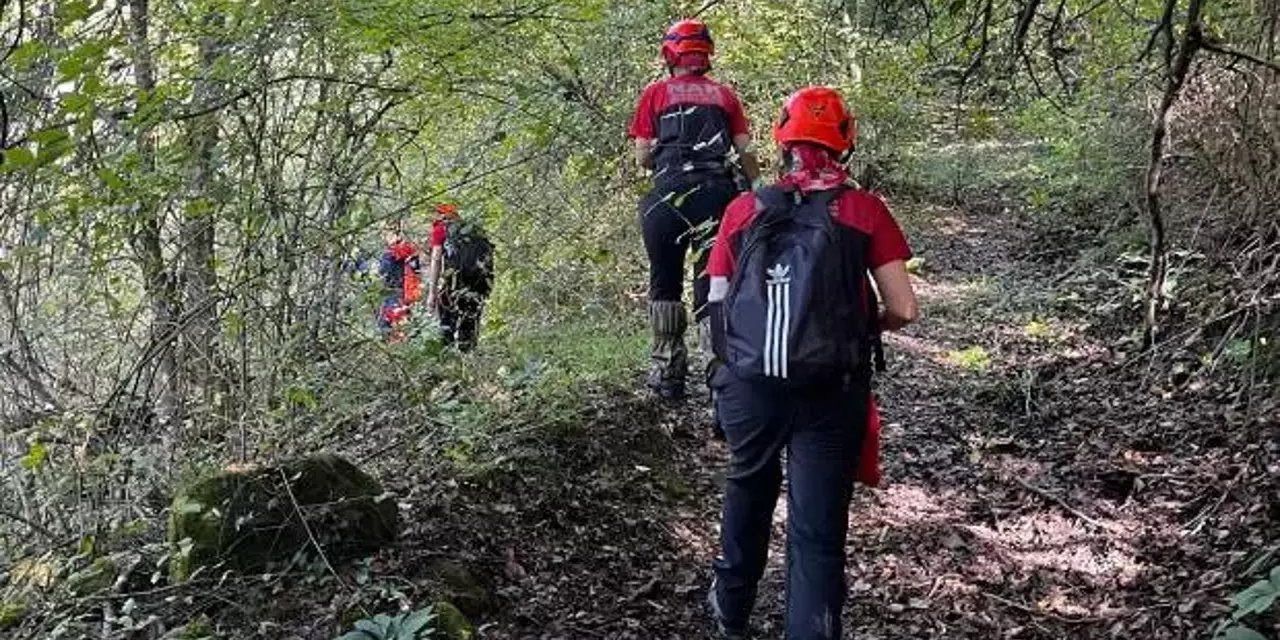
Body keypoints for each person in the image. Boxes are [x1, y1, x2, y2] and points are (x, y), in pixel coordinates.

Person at [703, 86, 919, 640]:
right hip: (831, 388)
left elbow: (718, 303)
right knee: (816, 531)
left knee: (747, 487)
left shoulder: (743, 209)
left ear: (781, 138)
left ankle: (730, 613)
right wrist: (854, 328)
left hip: (749, 384)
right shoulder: (865, 210)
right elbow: (904, 308)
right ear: (844, 142)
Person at [628, 18, 761, 401]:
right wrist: (755, 188)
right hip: (717, 197)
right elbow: (746, 151)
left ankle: (668, 373)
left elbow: (642, 157)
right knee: (713, 282)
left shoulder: (655, 94)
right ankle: (721, 378)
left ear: (671, 54)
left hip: (666, 198)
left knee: (664, 282)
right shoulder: (725, 96)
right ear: (706, 54)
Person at [426, 202, 494, 352]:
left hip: (454, 284)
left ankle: (448, 358)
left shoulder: (440, 229)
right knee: (470, 319)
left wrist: (432, 293)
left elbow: (436, 260)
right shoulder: (476, 229)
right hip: (477, 285)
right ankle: (467, 356)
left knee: (447, 324)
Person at [377, 220, 423, 343]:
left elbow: (383, 272)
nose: (383, 236)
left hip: (396, 293)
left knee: (391, 326)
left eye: (385, 233)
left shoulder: (395, 252)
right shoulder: (407, 250)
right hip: (402, 294)